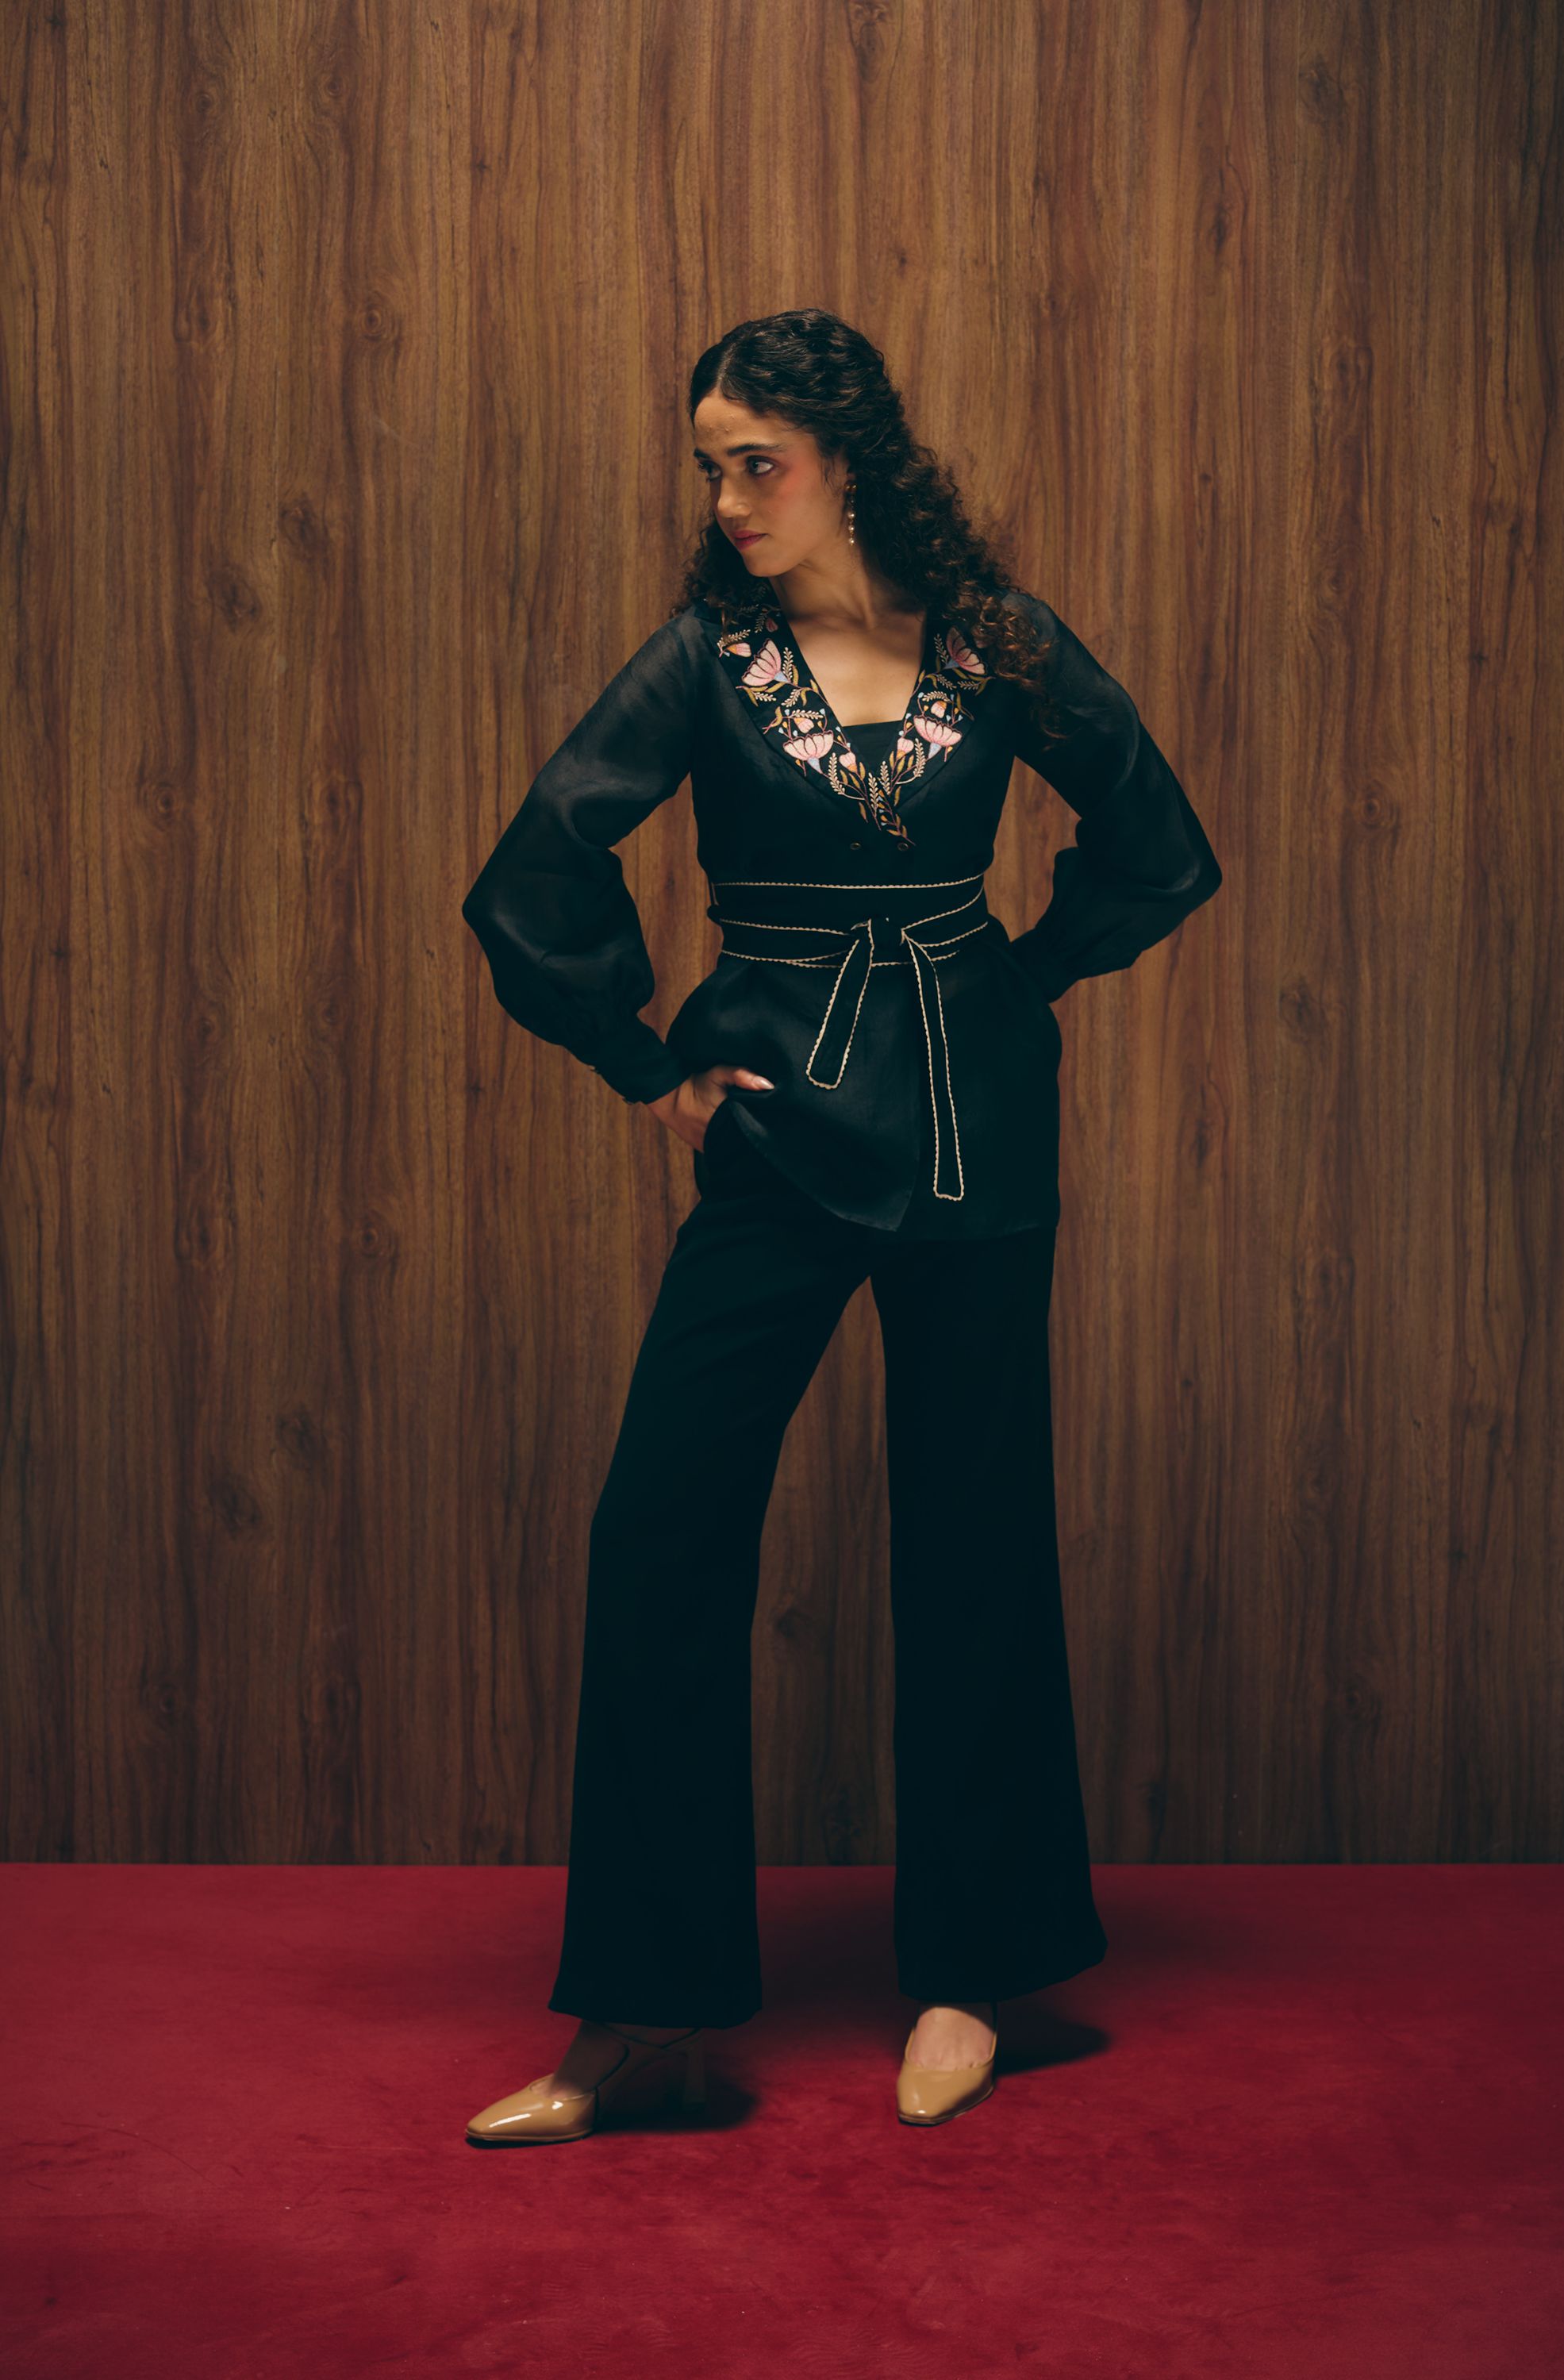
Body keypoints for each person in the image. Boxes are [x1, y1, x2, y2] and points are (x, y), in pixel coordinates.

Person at [459, 309, 1222, 2143]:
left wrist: (1021, 975)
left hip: (978, 1140)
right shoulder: (707, 659)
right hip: (782, 1134)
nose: (728, 500)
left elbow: (1156, 844)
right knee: (659, 1528)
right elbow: (536, 870)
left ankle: (972, 1973)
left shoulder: (998, 641)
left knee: (974, 1536)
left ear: (850, 461)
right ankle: (646, 2018)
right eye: (710, 466)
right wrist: (648, 1063)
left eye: (759, 463)